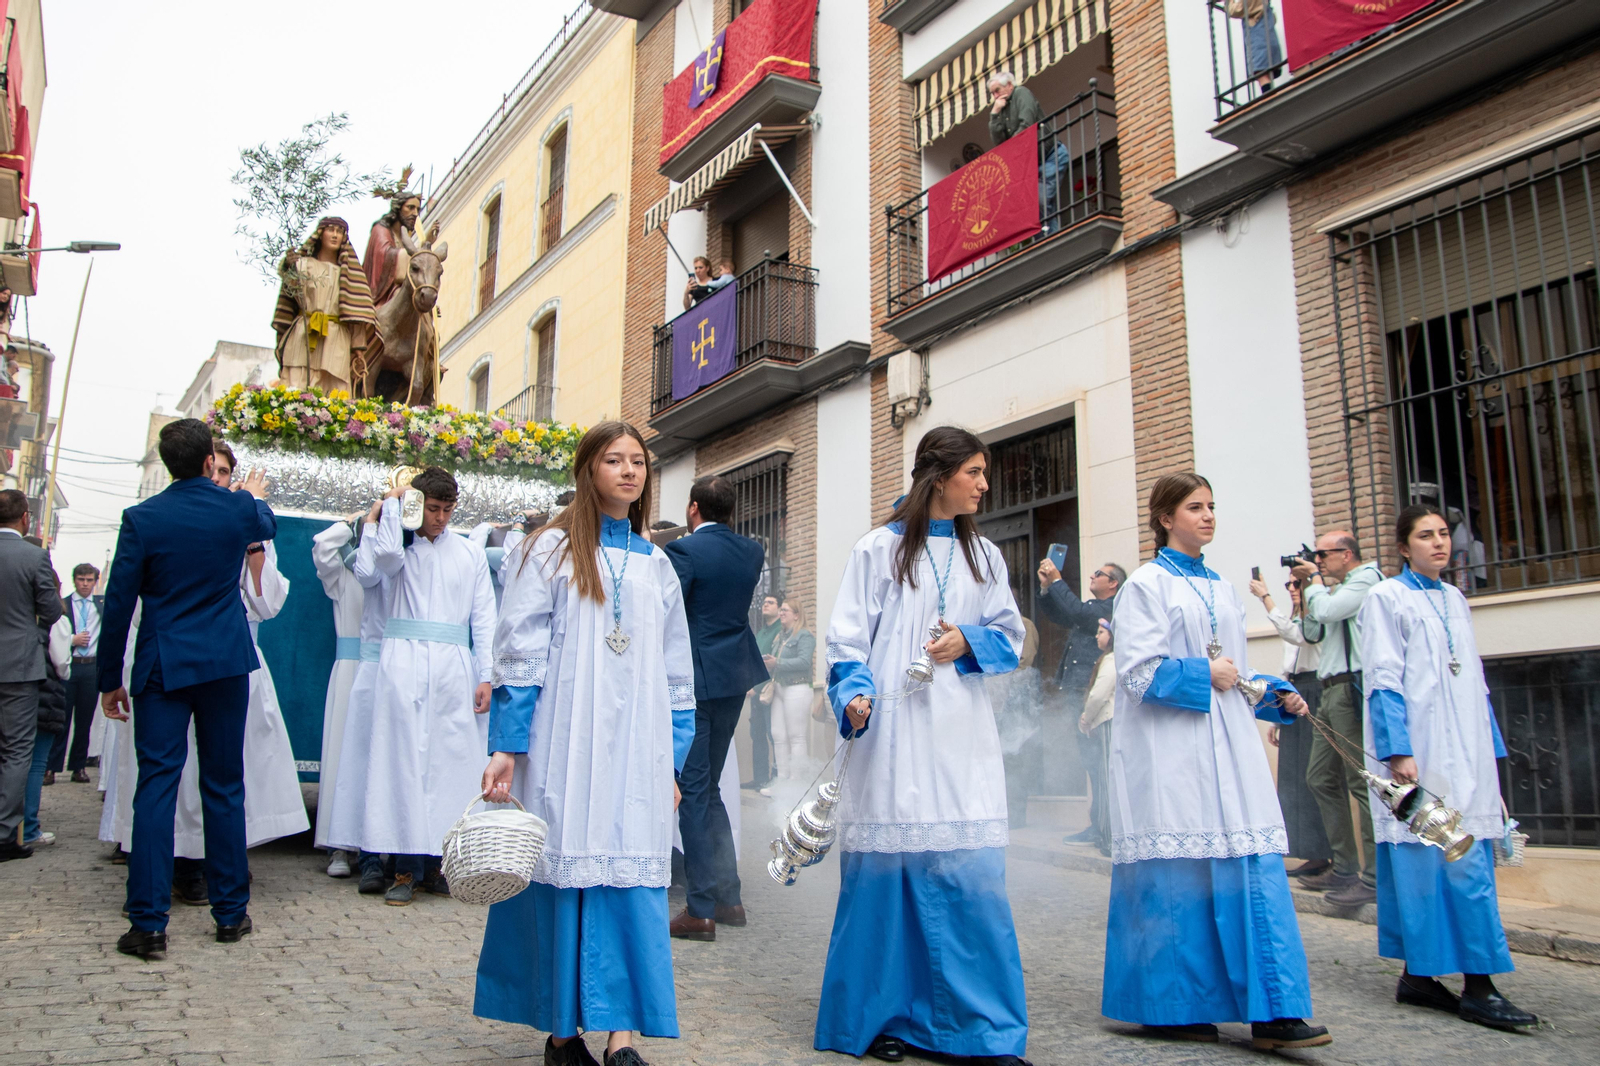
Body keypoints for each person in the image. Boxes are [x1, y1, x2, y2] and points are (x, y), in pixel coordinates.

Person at [476, 421, 695, 1066]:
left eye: (638, 462)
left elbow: (677, 673)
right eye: (614, 460)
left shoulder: (657, 564)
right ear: (588, 470)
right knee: (566, 870)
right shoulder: (548, 550)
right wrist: (507, 745)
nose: (629, 472)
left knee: (631, 874)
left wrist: (674, 760)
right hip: (565, 739)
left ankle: (622, 1038)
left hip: (637, 748)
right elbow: (520, 652)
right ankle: (563, 1035)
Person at [820, 426, 1031, 1066]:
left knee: (972, 878)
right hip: (893, 731)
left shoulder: (984, 555)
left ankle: (981, 1029)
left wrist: (968, 639)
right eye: (974, 472)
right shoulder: (877, 549)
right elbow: (847, 641)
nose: (984, 484)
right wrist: (854, 694)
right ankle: (881, 1018)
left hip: (961, 731)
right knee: (888, 877)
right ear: (939, 477)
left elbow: (1011, 636)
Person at [1103, 472, 1329, 1048]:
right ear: (1165, 518)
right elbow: (1138, 673)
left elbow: (1236, 672)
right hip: (1170, 751)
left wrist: (1273, 693)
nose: (1207, 516)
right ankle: (1173, 1006)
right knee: (1178, 876)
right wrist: (1207, 673)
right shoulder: (1146, 584)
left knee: (1252, 865)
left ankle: (1275, 1011)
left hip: (1229, 747)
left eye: (1211, 506)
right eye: (1194, 507)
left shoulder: (1222, 586)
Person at [98, 418, 276, 958]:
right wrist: (250, 493)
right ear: (206, 463)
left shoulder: (142, 518)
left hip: (162, 665)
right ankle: (231, 914)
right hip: (223, 662)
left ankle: (148, 924)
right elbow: (267, 522)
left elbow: (118, 602)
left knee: (156, 787)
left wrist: (109, 678)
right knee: (224, 786)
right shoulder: (236, 508)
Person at [1358, 503, 1537, 1032]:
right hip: (1421, 748)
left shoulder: (1455, 597)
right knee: (1430, 862)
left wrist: (1492, 751)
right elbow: (1382, 677)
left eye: (1443, 533)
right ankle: (1478, 987)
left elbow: (1475, 680)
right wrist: (1397, 750)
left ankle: (1419, 977)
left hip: (1467, 748)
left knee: (1467, 857)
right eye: (1425, 535)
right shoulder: (1386, 597)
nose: (1439, 542)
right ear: (1403, 547)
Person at [335, 466, 495, 906]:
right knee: (401, 762)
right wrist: (393, 508)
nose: (440, 518)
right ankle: (403, 866)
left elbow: (484, 616)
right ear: (418, 506)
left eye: (448, 510)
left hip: (452, 666)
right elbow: (377, 565)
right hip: (402, 661)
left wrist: (486, 673)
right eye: (433, 509)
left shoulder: (469, 554)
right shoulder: (399, 552)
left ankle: (439, 863)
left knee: (448, 764)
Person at [661, 475, 767, 941]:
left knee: (693, 788)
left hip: (696, 678)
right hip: (734, 676)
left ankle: (700, 907)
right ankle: (729, 898)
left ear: (693, 508)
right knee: (710, 788)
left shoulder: (683, 551)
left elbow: (670, 612)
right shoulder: (752, 551)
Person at [1291, 530, 1385, 905]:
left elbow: (1329, 612)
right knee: (1319, 778)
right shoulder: (1335, 589)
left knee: (1361, 781)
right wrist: (1304, 592)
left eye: (1323, 555)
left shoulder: (1367, 579)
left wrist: (1314, 581)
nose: (1319, 561)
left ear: (1346, 554)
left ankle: (1375, 877)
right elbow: (1312, 631)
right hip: (1329, 689)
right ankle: (1345, 867)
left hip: (1350, 688)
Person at [328, 493, 400, 896]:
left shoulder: (417, 556)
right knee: (366, 762)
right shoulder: (371, 557)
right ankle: (367, 856)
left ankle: (400, 856)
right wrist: (373, 520)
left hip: (404, 669)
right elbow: (368, 571)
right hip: (373, 668)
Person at [1248, 573, 1334, 878]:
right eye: (1290, 585)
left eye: (1299, 584)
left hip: (1314, 690)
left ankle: (1325, 851)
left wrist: (1265, 597)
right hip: (1294, 691)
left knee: (1314, 774)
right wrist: (1278, 708)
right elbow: (1287, 664)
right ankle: (1308, 850)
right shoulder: (1299, 617)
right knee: (1293, 777)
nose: (1294, 590)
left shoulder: (1317, 618)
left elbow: (1297, 636)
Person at [1035, 556, 1122, 847]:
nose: (1092, 576)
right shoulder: (1091, 610)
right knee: (1092, 763)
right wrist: (1047, 589)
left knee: (1099, 765)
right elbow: (1061, 614)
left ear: (1113, 583)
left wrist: (1058, 581)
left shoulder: (1110, 608)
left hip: (1094, 699)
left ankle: (1104, 828)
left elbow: (1076, 610)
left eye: (1098, 574)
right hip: (1081, 694)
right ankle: (1099, 825)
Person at [0, 487, 63, 861]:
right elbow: (52, 610)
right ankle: (5, 833)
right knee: (17, 749)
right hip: (19, 665)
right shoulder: (34, 556)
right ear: (26, 518)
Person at [310, 512, 372, 877]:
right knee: (341, 756)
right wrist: (349, 524)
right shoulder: (343, 573)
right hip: (349, 670)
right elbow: (322, 546)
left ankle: (374, 846)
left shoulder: (391, 570)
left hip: (380, 668)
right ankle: (338, 846)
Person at [271, 215, 377, 394]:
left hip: (336, 337)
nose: (335, 235)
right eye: (331, 230)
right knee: (297, 383)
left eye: (340, 232)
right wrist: (288, 267)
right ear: (321, 234)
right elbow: (291, 290)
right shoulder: (303, 265)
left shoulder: (350, 273)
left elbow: (357, 313)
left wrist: (358, 348)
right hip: (304, 333)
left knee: (334, 390)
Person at [987, 70, 1071, 233]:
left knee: (1041, 202)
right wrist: (994, 114)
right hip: (1032, 166)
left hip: (1051, 156)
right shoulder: (1001, 108)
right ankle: (1050, 238)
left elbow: (1027, 124)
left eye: (997, 90)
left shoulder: (1021, 93)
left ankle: (1050, 239)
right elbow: (998, 142)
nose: (995, 96)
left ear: (1009, 85)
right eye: (992, 93)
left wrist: (1010, 148)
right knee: (1038, 208)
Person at [24, 574, 72, 848]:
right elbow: (62, 664)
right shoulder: (56, 621)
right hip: (44, 694)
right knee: (35, 764)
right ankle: (28, 827)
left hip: (13, 695)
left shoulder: (15, 615)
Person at [47, 562, 103, 785]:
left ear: (95, 581)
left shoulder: (101, 606)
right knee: (61, 719)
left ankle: (78, 766)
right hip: (70, 664)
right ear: (74, 580)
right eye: (81, 580)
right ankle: (51, 767)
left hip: (91, 666)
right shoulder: (64, 604)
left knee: (85, 721)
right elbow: (55, 633)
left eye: (89, 580)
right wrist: (72, 640)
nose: (85, 584)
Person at [767, 599, 816, 782]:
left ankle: (796, 782)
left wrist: (777, 663)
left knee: (796, 737)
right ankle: (781, 781)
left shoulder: (805, 636)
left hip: (798, 687)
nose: (781, 613)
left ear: (796, 615)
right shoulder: (780, 637)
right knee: (778, 735)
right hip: (779, 687)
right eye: (781, 610)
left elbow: (804, 662)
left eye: (785, 610)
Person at [1078, 619, 1115, 852]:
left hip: (1108, 723)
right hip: (1112, 723)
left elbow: (1099, 694)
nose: (1097, 636)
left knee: (1106, 781)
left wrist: (1086, 717)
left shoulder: (1111, 659)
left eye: (1101, 632)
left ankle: (1108, 838)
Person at [744, 594, 782, 791]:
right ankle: (759, 778)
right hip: (755, 691)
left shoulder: (780, 631)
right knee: (756, 734)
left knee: (773, 734)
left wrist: (756, 687)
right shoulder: (761, 633)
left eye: (771, 602)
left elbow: (769, 665)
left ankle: (775, 779)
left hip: (770, 691)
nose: (765, 605)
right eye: (764, 602)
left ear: (779, 608)